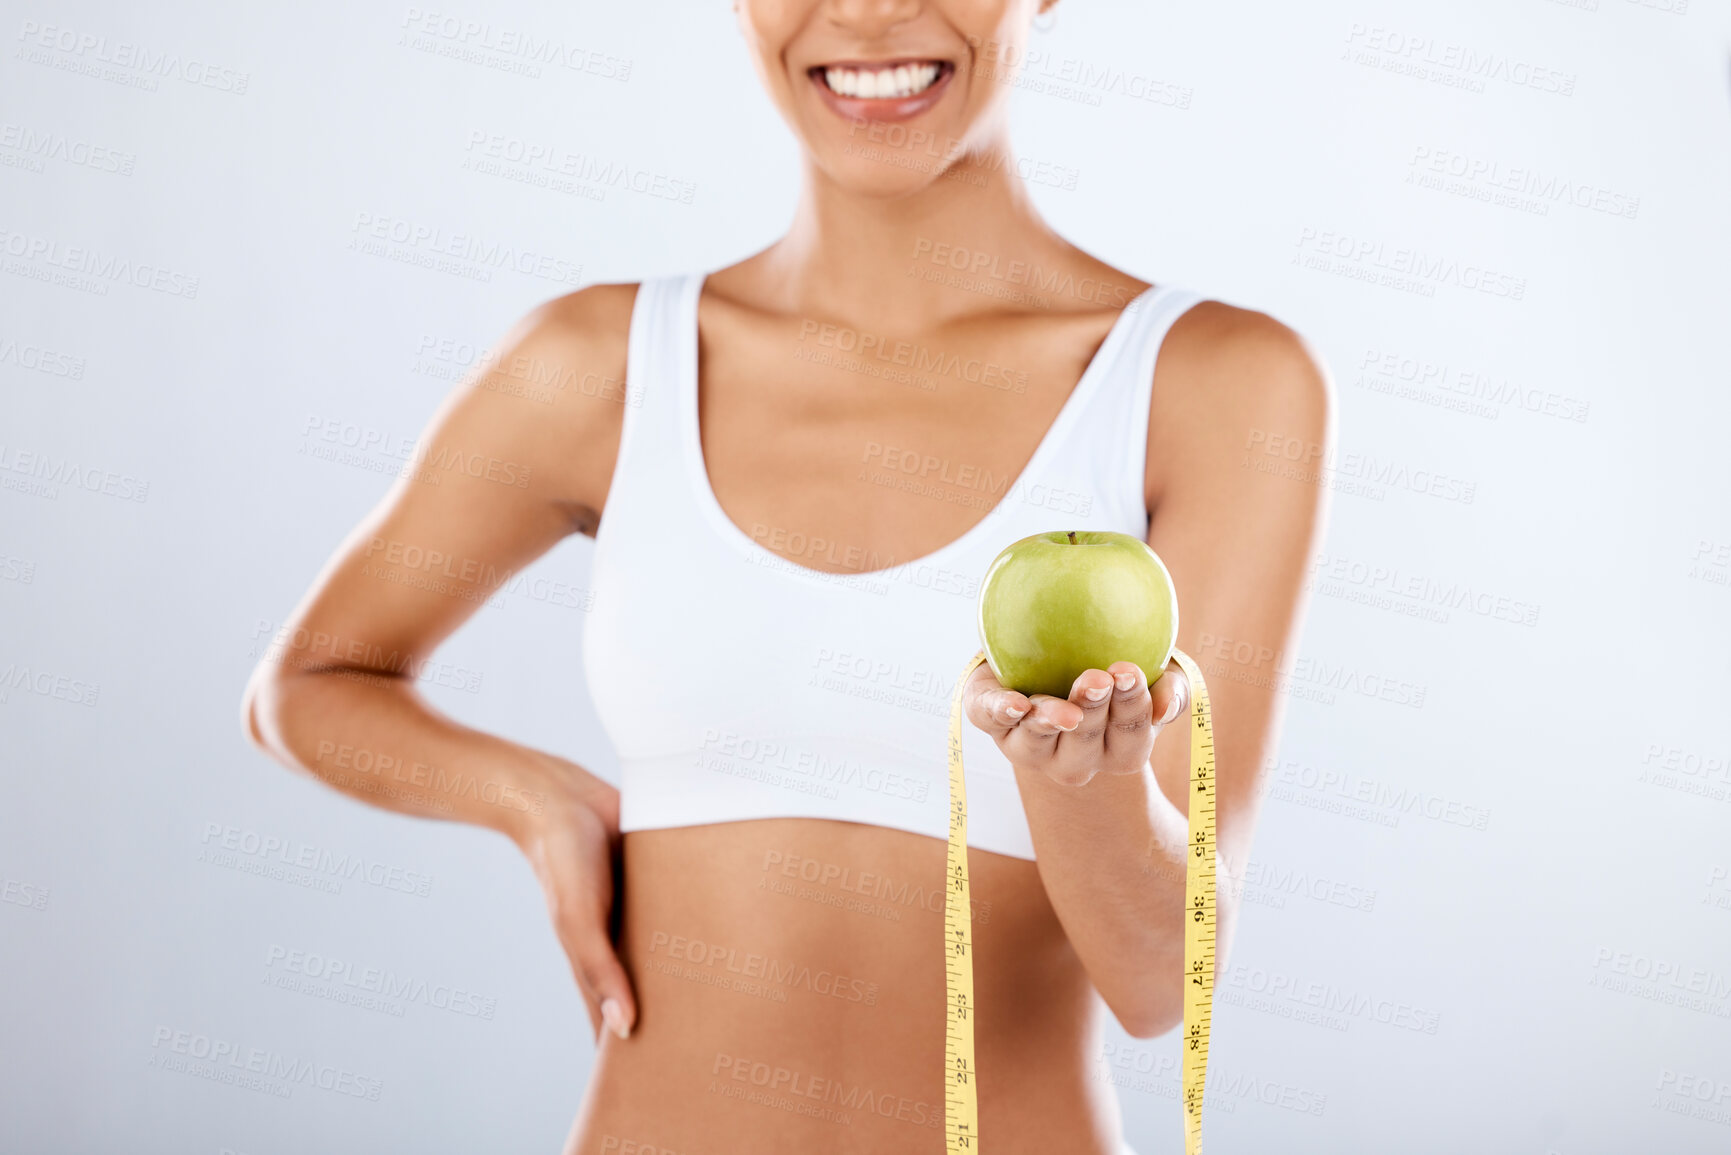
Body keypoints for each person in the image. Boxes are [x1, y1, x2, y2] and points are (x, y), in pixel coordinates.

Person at [242, 1, 1332, 1151]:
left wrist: (1086, 786)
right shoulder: (601, 364)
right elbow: (310, 683)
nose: (866, 14)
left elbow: (1164, 986)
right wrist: (534, 801)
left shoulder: (1216, 386)